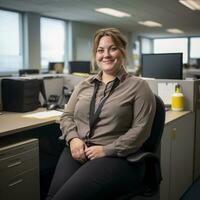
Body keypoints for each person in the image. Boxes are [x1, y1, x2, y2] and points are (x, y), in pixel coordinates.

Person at [46, 27, 156, 200]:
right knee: (52, 197)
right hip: (79, 149)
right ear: (95, 55)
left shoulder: (138, 87)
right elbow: (67, 116)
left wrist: (107, 150)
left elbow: (140, 130)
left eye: (113, 48)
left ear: (122, 52)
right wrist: (73, 139)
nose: (106, 55)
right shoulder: (84, 85)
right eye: (100, 50)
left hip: (117, 157)